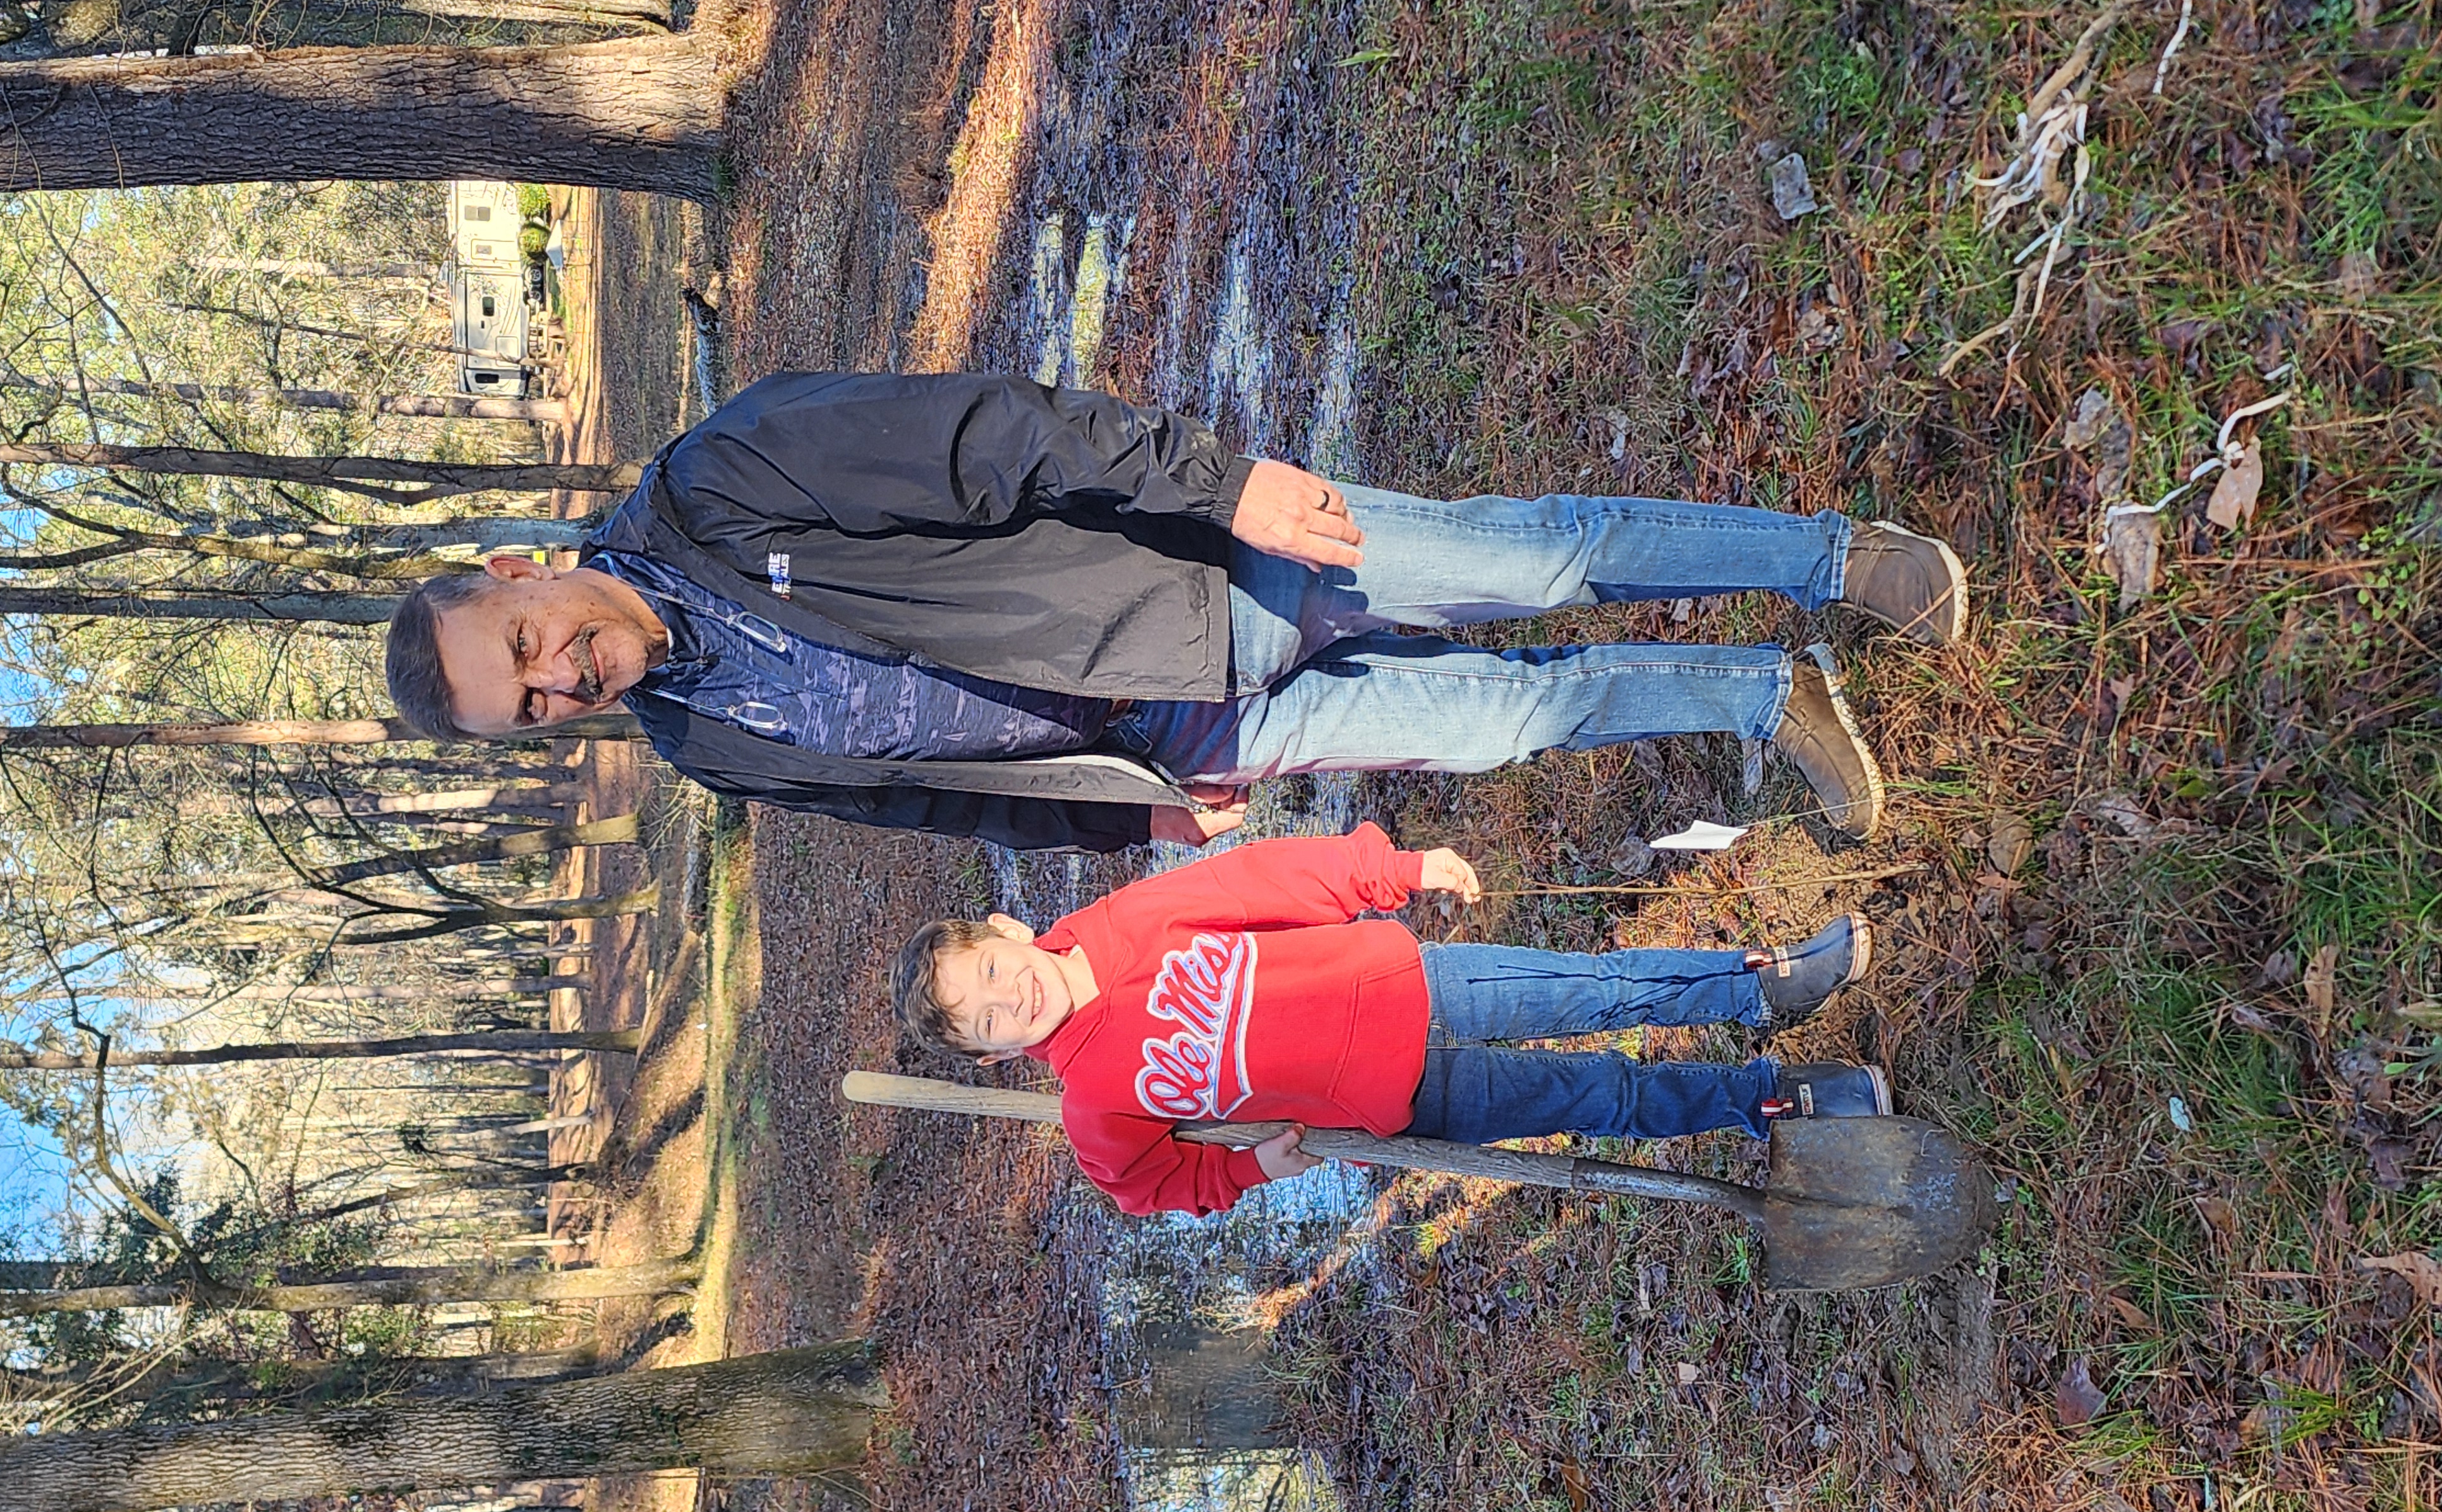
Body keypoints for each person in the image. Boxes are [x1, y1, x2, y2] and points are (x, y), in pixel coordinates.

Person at [384, 372, 1967, 852]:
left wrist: (1221, 485)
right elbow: (929, 800)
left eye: (524, 649)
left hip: (1209, 575)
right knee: (1509, 721)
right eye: (530, 711)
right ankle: (1763, 696)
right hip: (1186, 737)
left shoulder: (720, 480)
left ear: (519, 573)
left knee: (1536, 563)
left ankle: (1837, 560)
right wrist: (1122, 821)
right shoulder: (704, 746)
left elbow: (991, 437)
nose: (559, 682)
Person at [887, 821, 1890, 1218]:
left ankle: (1759, 987)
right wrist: (1251, 1168)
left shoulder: (1122, 924)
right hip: (1411, 1102)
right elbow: (1154, 1188)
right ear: (994, 1057)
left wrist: (1389, 871)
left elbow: (1261, 880)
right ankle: (1775, 1100)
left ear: (1008, 930)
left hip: (1417, 982)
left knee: (1599, 988)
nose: (1009, 1000)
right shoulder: (1096, 1111)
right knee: (1603, 1094)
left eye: (991, 972)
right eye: (986, 1022)